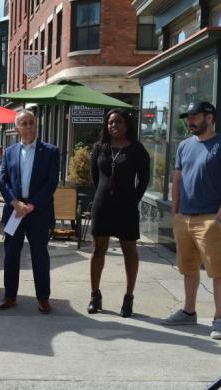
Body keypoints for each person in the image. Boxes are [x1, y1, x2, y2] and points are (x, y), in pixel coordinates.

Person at [161, 101, 221, 340]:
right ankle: (188, 311)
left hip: (209, 219)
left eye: (195, 117)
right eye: (188, 117)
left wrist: (219, 218)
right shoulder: (184, 146)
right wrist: (175, 213)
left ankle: (218, 320)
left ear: (209, 118)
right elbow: (177, 181)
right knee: (188, 269)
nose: (190, 121)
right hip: (184, 218)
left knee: (217, 271)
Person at [87, 109, 150, 317]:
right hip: (102, 206)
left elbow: (144, 178)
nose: (114, 125)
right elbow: (95, 177)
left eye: (118, 122)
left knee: (130, 252)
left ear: (127, 125)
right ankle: (95, 295)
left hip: (127, 207)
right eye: (110, 122)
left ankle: (128, 298)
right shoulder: (99, 148)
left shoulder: (137, 149)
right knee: (98, 251)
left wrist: (134, 199)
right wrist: (103, 195)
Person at [0, 110, 59, 314]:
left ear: (36, 124)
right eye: (24, 123)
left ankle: (43, 298)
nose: (28, 126)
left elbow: (51, 183)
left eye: (31, 122)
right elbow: (3, 181)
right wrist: (15, 203)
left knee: (39, 255)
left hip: (38, 212)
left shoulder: (50, 151)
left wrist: (31, 206)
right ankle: (10, 296)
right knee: (11, 255)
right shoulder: (9, 152)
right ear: (17, 129)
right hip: (15, 211)